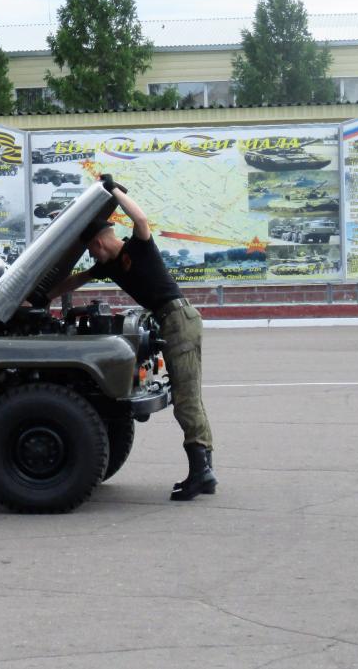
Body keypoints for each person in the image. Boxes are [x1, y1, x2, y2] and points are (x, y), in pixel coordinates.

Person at [47, 185, 217, 502]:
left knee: (186, 398)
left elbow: (139, 218)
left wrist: (113, 189)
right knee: (189, 395)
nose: (92, 256)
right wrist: (41, 296)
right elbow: (74, 281)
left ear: (98, 243)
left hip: (179, 319)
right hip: (173, 320)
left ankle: (201, 472)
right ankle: (205, 472)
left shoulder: (136, 248)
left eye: (91, 250)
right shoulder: (108, 264)